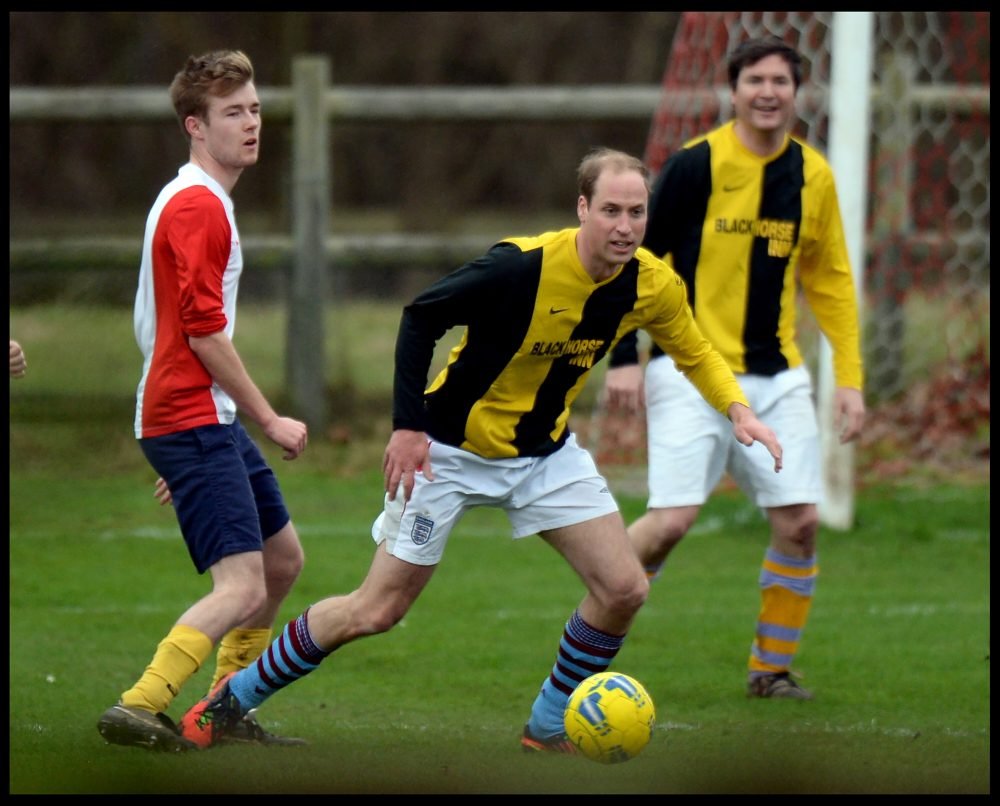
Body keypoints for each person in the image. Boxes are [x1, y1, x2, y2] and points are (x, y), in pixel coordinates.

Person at [175, 146, 782, 752]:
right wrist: (408, 427)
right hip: (447, 454)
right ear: (582, 208)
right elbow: (421, 317)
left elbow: (696, 352)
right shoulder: (519, 267)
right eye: (610, 211)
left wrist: (739, 411)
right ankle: (229, 701)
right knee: (375, 610)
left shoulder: (652, 284)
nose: (625, 227)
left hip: (545, 457)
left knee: (625, 588)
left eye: (637, 213)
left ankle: (547, 725)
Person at [603, 36, 866, 700]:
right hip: (687, 370)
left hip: (777, 379)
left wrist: (850, 379)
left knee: (800, 522)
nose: (768, 92)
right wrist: (624, 357)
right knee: (670, 523)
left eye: (781, 81)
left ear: (797, 92)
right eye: (756, 80)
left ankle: (769, 671)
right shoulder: (695, 166)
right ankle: (591, 625)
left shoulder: (813, 177)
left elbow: (831, 281)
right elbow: (637, 262)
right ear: (734, 90)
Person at [96, 49, 309, 752]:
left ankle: (224, 709)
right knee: (242, 586)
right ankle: (141, 703)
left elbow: (166, 329)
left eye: (255, 109)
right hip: (190, 413)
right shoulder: (198, 205)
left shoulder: (202, 199)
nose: (251, 123)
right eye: (232, 113)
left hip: (196, 417)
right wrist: (268, 418)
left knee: (281, 561)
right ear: (195, 125)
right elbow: (202, 332)